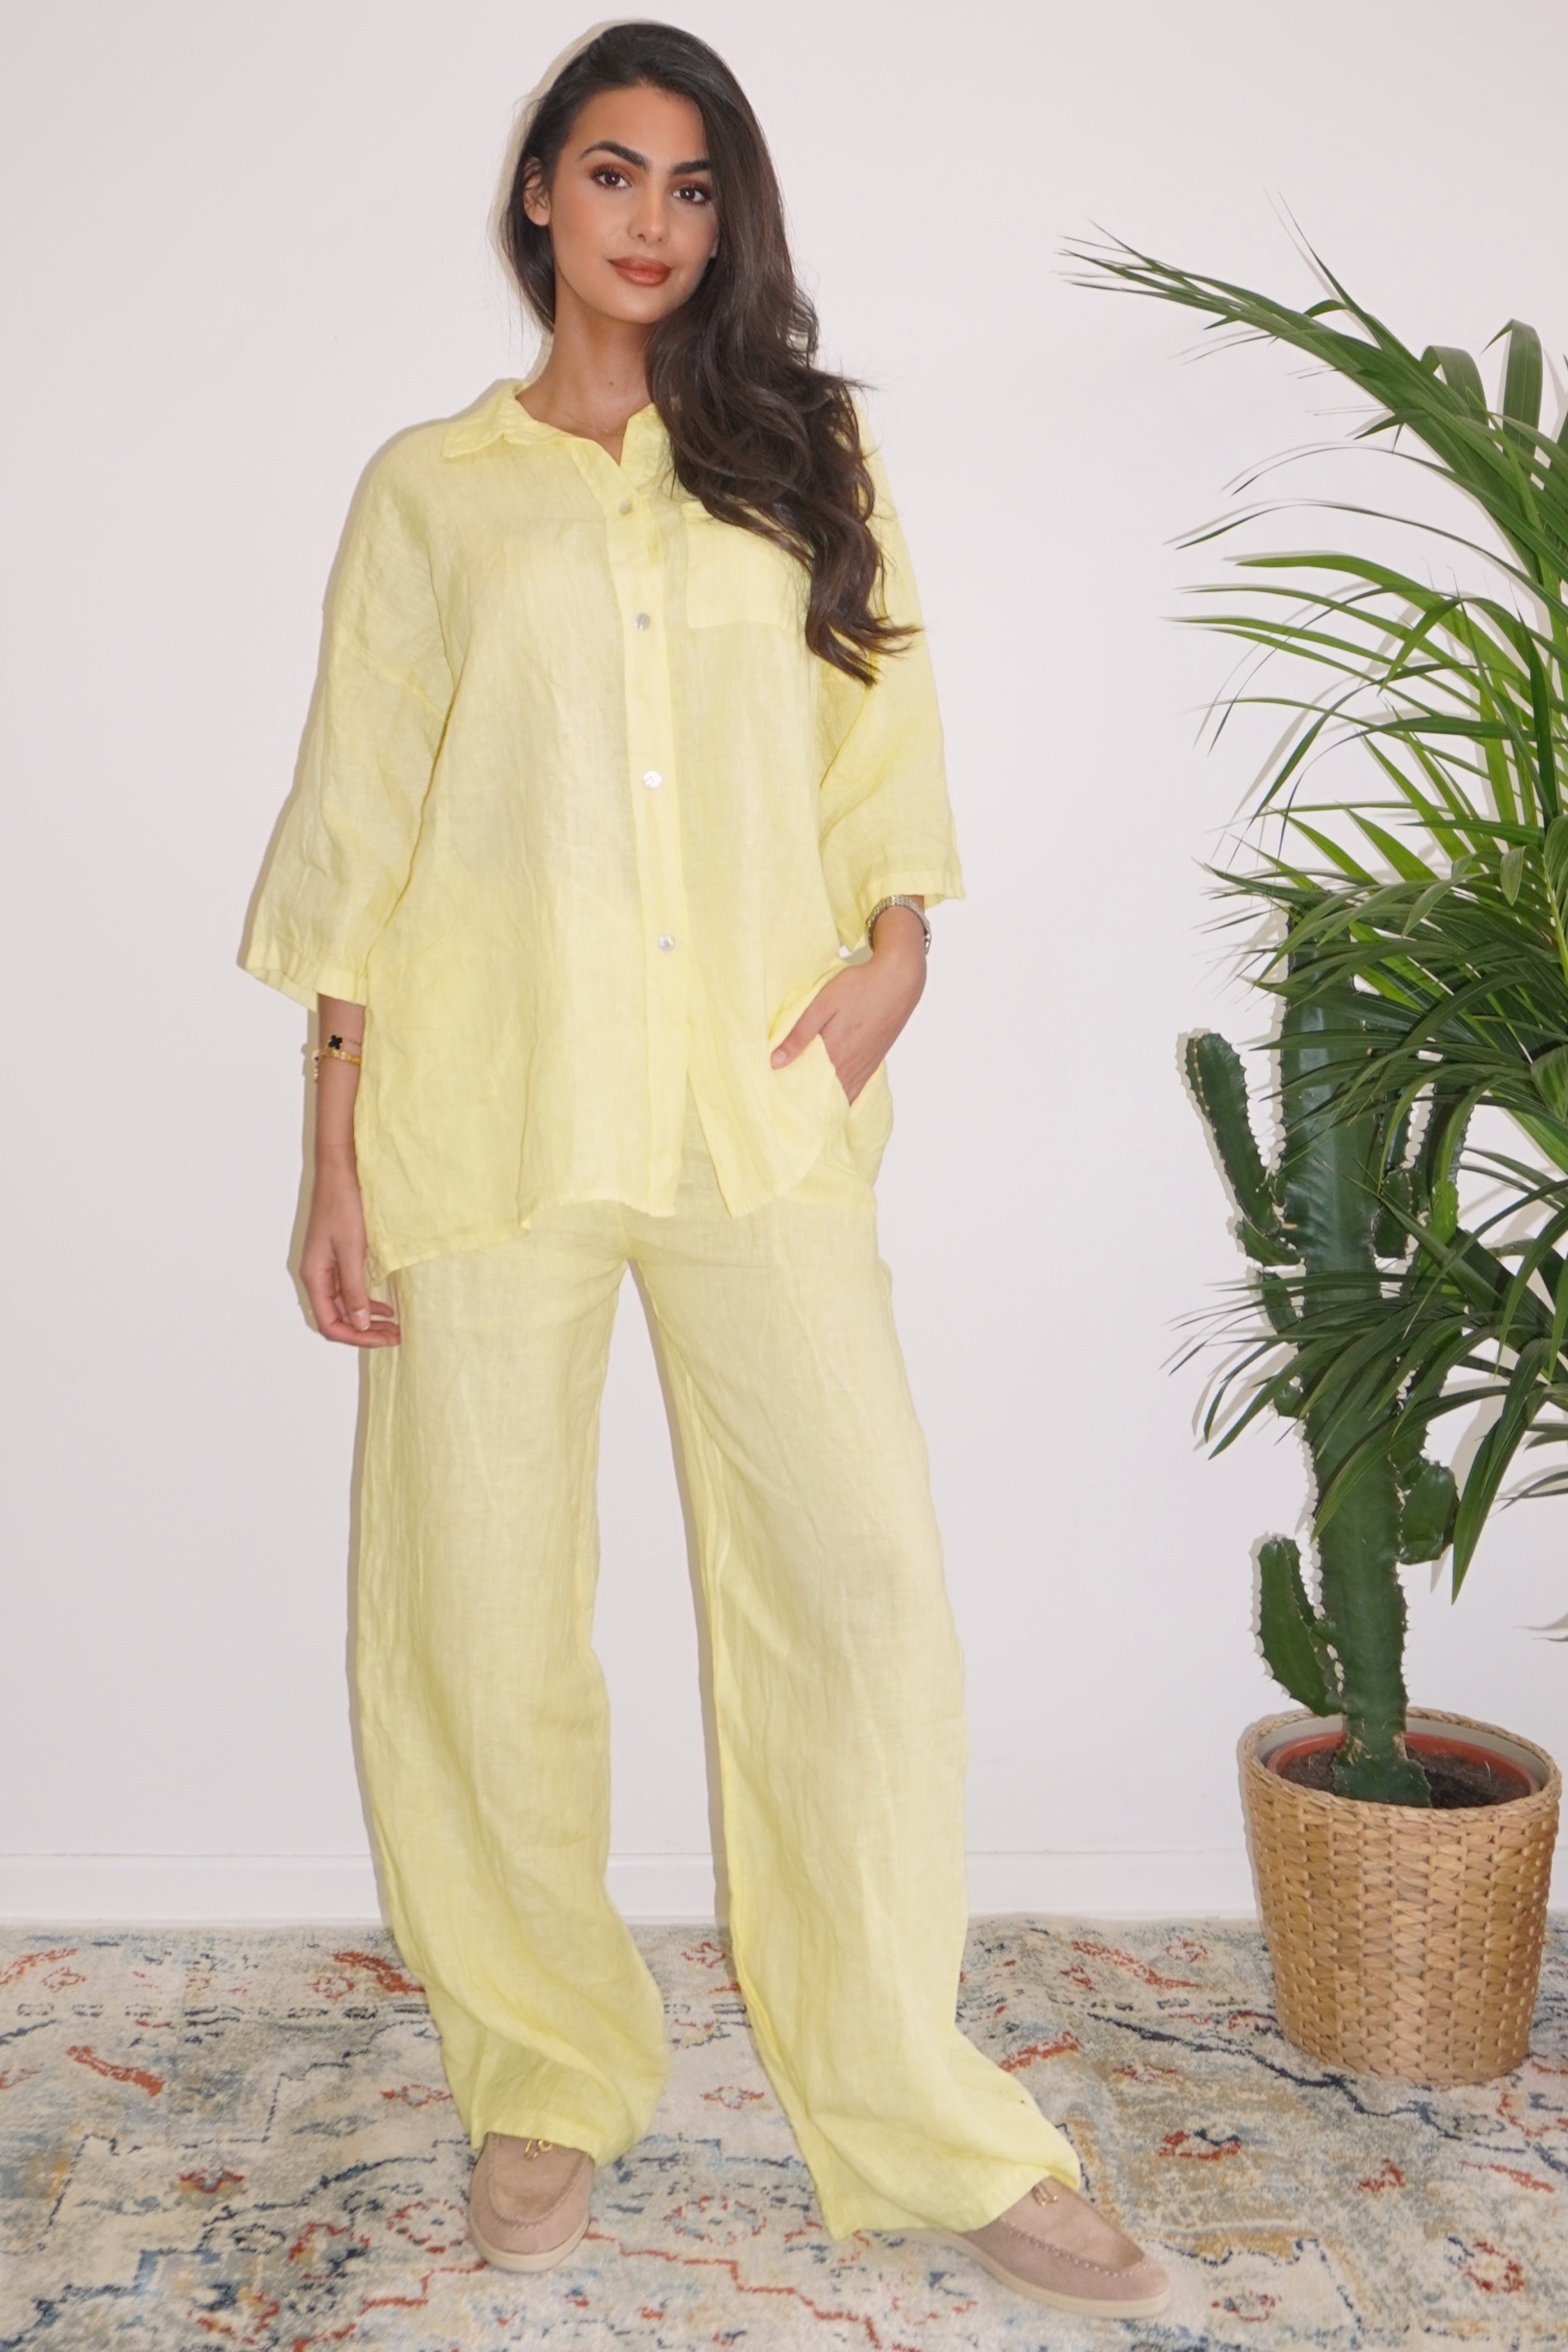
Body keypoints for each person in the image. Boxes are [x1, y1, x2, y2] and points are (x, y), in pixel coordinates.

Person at [241, 19, 1169, 2321]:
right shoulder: (431, 494)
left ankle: (917, 2111)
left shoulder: (803, 455)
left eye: (691, 185)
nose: (651, 220)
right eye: (612, 172)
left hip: (759, 1107)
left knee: (860, 1589)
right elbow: (358, 832)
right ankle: (546, 2072)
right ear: (539, 193)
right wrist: (331, 1153)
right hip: (488, 1115)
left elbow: (886, 740)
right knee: (477, 1618)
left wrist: (896, 956)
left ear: (724, 218)